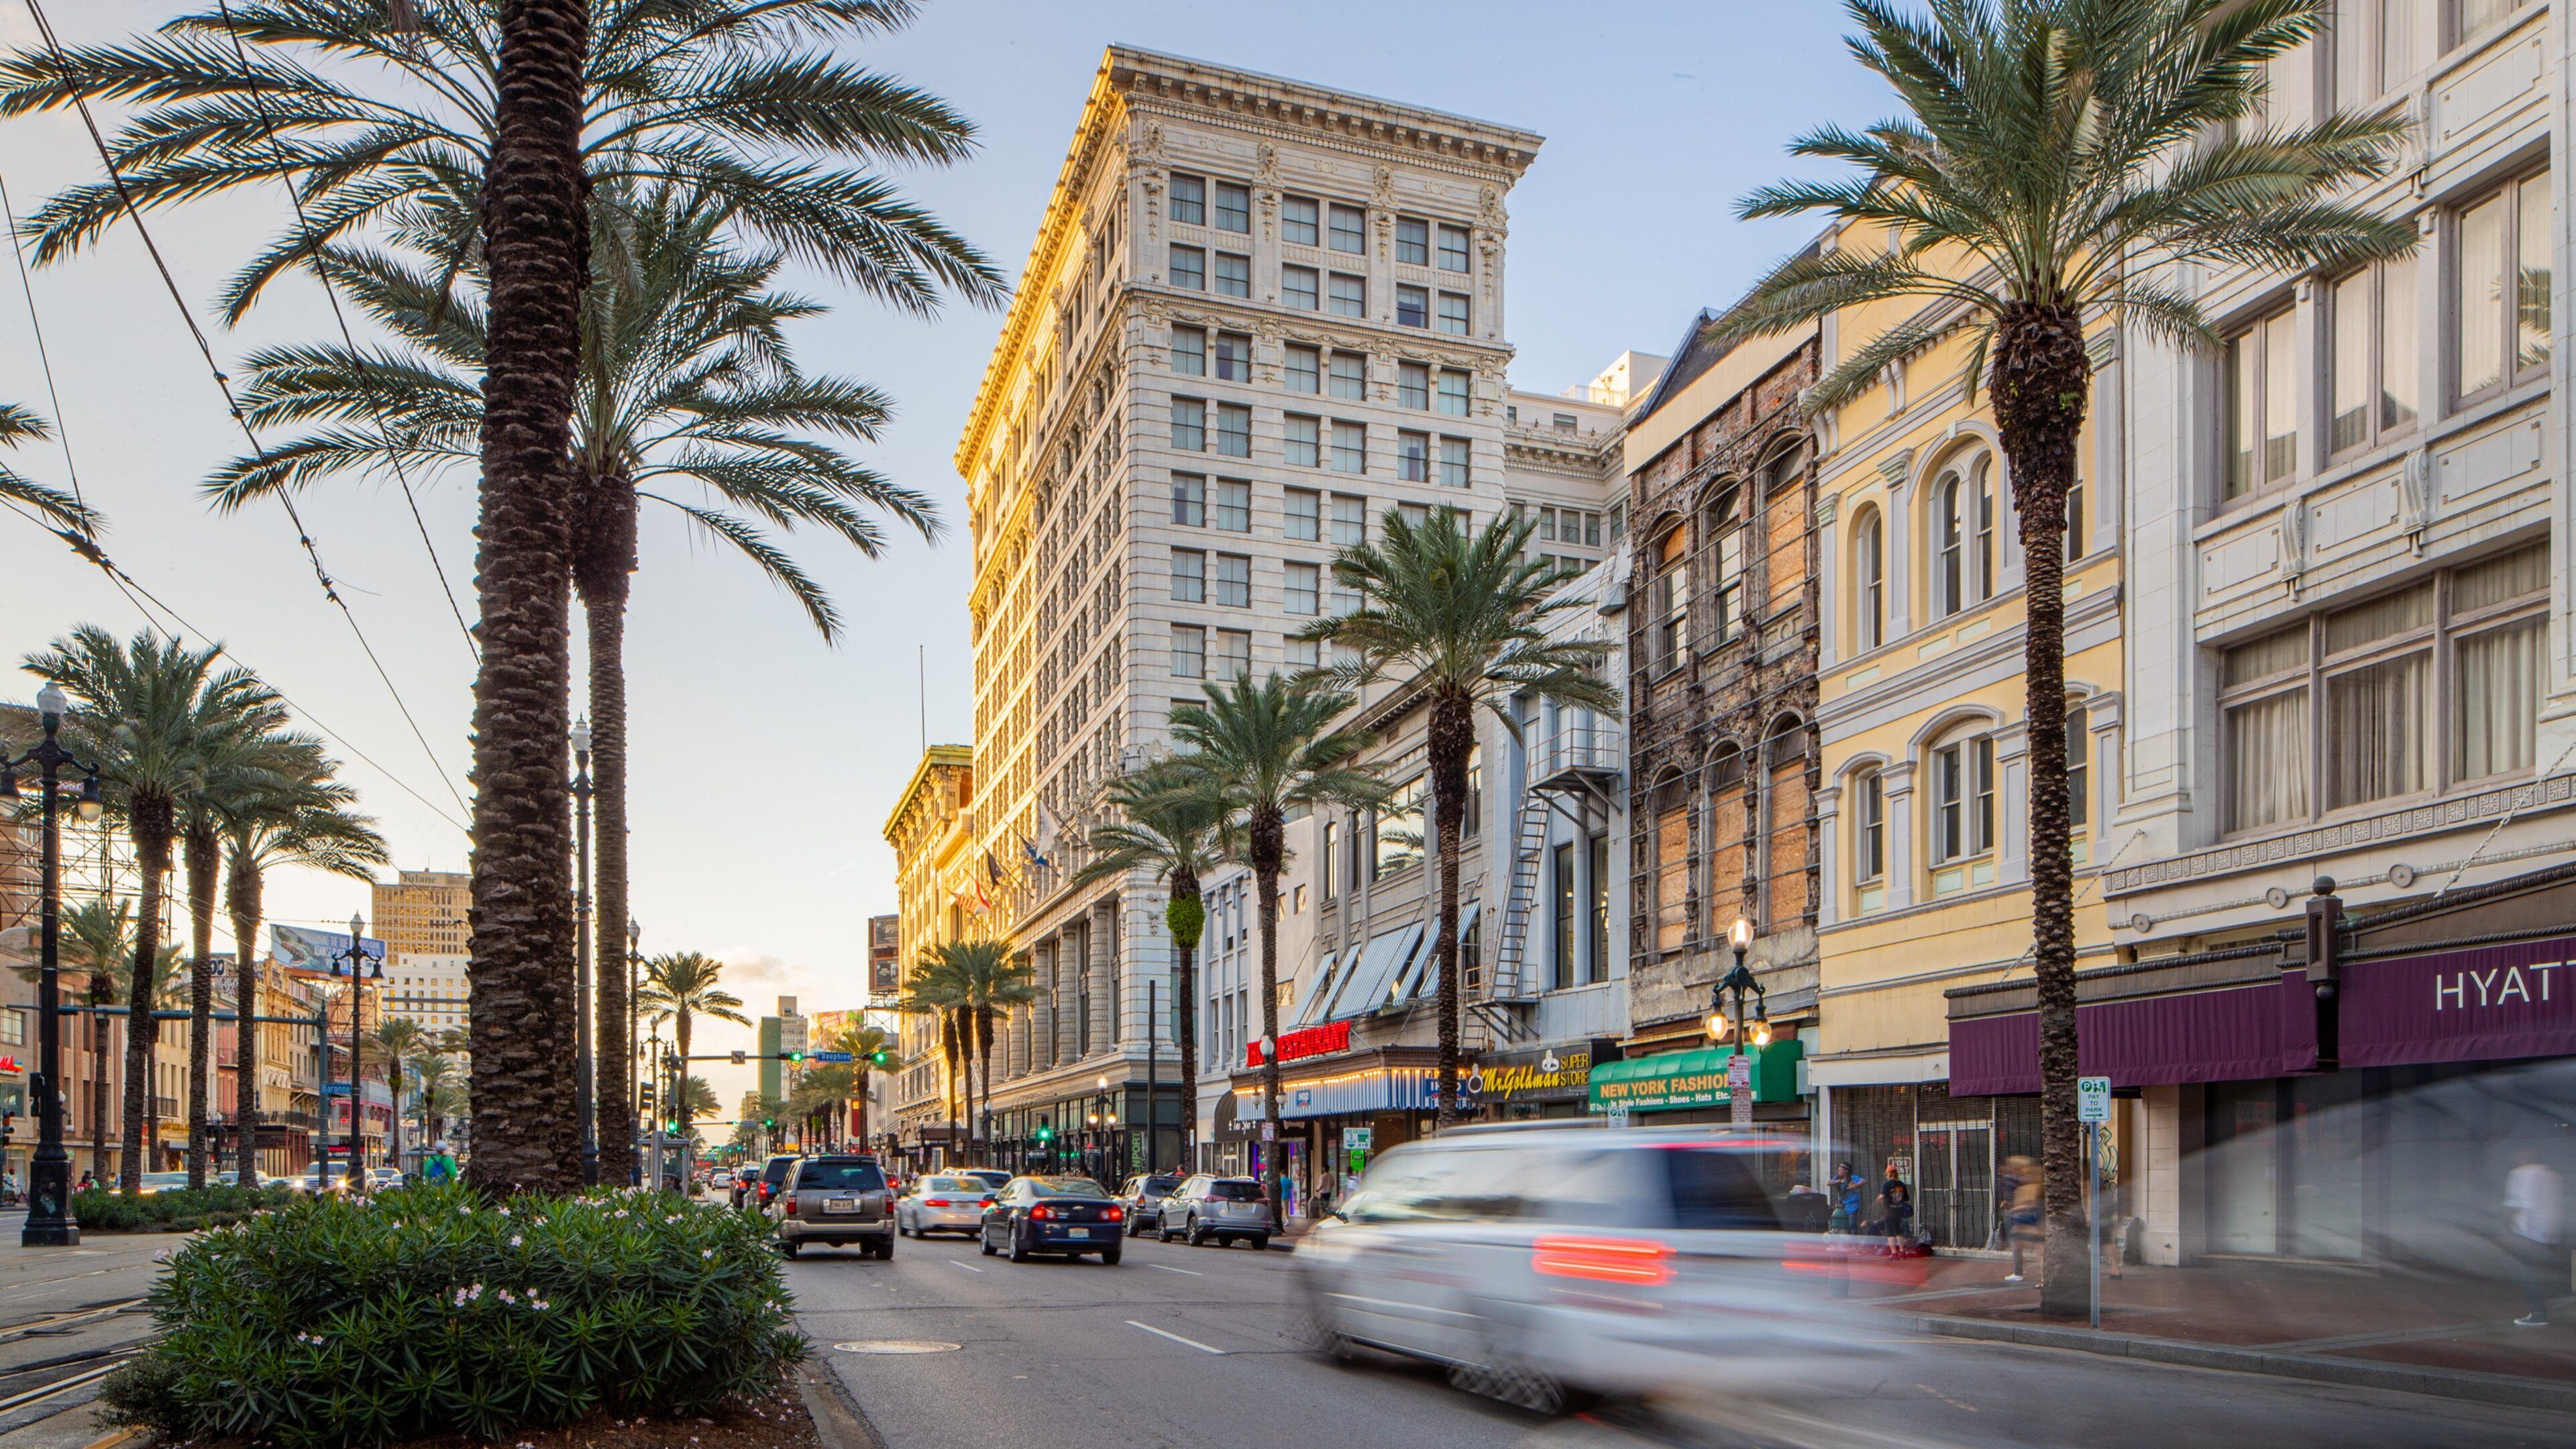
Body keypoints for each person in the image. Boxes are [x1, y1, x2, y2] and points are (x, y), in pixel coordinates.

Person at [2506, 1155, 2563, 1328]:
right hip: (2552, 1229)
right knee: (2551, 1270)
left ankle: (2538, 1314)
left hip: (2529, 1232)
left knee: (2528, 1273)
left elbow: (2521, 1205)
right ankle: (2548, 1307)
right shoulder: (2551, 1173)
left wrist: (2513, 1227)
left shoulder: (2521, 1174)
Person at [2002, 1155, 2042, 1283]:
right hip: (2026, 1219)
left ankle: (2023, 1274)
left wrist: (2014, 1209)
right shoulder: (2021, 1185)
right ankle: (2019, 1272)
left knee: (2039, 1248)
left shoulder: (2029, 1186)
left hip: (2029, 1219)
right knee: (2021, 1245)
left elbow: (2030, 1204)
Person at [1878, 1163, 1915, 1240]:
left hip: (1889, 1211)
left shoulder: (1887, 1184)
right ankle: (1901, 1250)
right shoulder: (1901, 1184)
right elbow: (1906, 1198)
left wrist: (1877, 1203)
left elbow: (1882, 1197)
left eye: (1886, 1174)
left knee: (1890, 1233)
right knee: (1898, 1231)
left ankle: (1894, 1251)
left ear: (1889, 1174)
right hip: (1899, 1211)